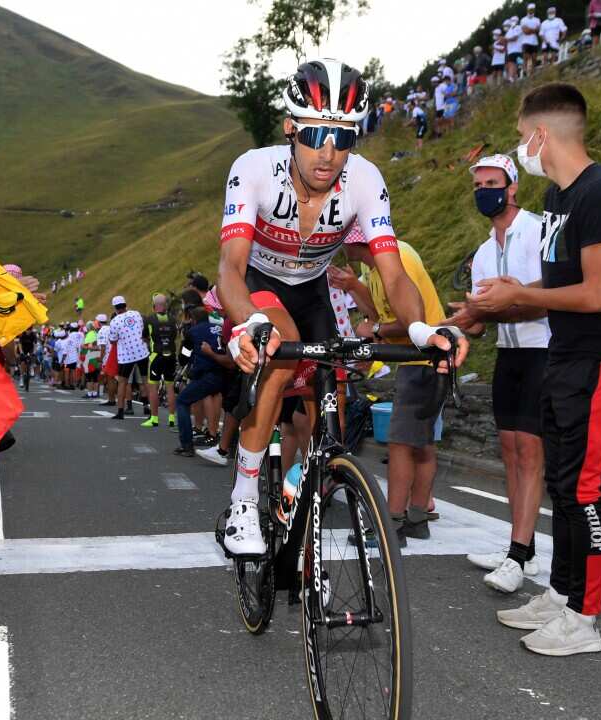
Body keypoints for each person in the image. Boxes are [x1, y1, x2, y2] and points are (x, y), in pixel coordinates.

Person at [215, 58, 466, 558]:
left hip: (312, 292)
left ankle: (304, 503)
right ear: (290, 128)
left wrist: (422, 329)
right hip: (259, 287)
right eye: (315, 135)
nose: (329, 153)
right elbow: (230, 266)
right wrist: (250, 322)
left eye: (344, 137)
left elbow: (394, 273)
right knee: (281, 356)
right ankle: (243, 498)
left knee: (330, 411)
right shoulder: (253, 168)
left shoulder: (365, 179)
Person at [468, 83, 601, 657]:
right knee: (564, 485)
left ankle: (585, 618)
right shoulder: (557, 197)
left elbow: (596, 293)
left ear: (542, 134)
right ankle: (563, 593)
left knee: (584, 489)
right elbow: (559, 282)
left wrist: (520, 295)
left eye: (522, 137)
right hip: (563, 354)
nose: (522, 147)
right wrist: (509, 295)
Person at [445, 154, 550, 594]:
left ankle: (519, 555)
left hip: (544, 349)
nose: (483, 191)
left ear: (513, 187)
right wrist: (455, 325)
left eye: (492, 183)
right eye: (478, 186)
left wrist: (486, 310)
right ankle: (520, 546)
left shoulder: (539, 230)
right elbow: (481, 322)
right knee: (509, 450)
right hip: (509, 354)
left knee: (529, 451)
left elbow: (550, 297)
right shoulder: (485, 251)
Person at [334, 236, 447, 545]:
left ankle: (391, 525)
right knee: (422, 443)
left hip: (424, 360)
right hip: (420, 360)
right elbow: (379, 313)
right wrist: (354, 288)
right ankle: (417, 518)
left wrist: (376, 330)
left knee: (400, 445)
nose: (340, 245)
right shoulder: (372, 267)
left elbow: (411, 319)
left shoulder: (398, 258)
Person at [173, 306, 227, 457]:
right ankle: (218, 436)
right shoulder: (219, 328)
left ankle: (186, 444)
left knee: (182, 401)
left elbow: (183, 356)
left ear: (193, 320)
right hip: (225, 372)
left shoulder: (193, 332)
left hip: (207, 373)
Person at [108, 295, 149, 420]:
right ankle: (150, 409)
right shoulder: (136, 314)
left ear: (115, 308)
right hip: (142, 352)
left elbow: (112, 340)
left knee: (123, 382)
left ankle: (120, 411)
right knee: (145, 380)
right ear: (125, 305)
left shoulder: (115, 321)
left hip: (126, 356)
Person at [143, 293, 180, 427]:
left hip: (156, 356)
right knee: (170, 387)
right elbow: (176, 335)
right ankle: (171, 418)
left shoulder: (150, 319)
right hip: (171, 355)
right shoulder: (173, 319)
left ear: (154, 306)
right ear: (166, 306)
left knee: (153, 387)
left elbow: (145, 337)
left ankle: (154, 419)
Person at [520, 4, 543, 78]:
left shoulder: (537, 19)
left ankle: (533, 73)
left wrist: (529, 29)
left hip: (534, 42)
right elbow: (525, 31)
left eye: (532, 10)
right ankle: (524, 71)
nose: (531, 11)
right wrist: (533, 29)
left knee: (534, 58)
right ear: (527, 10)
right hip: (525, 42)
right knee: (526, 57)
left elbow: (538, 30)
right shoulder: (523, 19)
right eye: (530, 10)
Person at [504, 17, 523, 83]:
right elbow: (506, 42)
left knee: (518, 64)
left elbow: (515, 38)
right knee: (512, 64)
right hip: (511, 51)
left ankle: (517, 77)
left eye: (514, 21)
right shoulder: (508, 32)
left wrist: (506, 39)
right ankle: (513, 78)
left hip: (518, 49)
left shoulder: (518, 27)